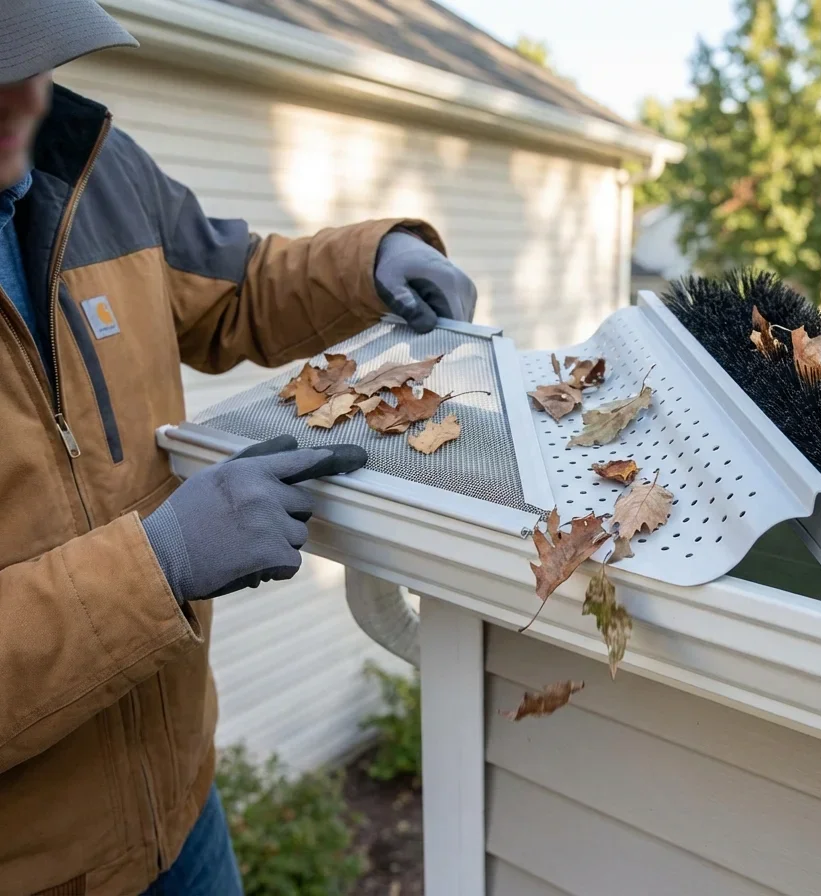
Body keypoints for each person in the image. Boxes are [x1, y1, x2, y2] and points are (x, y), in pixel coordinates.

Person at [0, 2, 478, 894]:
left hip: (183, 814)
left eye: (38, 55)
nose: (28, 96)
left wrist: (370, 261)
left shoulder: (89, 164)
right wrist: (160, 564)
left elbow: (233, 285)